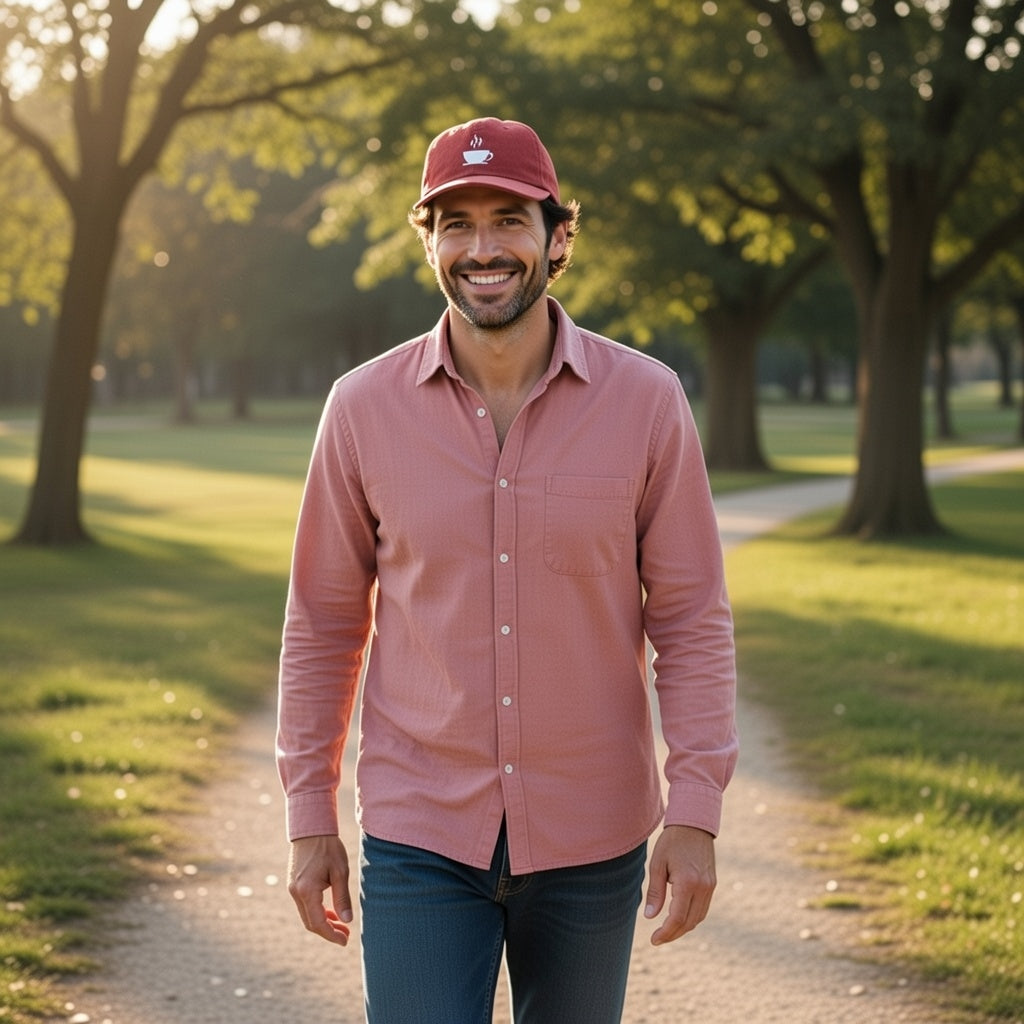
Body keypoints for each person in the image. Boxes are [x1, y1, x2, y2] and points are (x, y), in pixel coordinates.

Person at [277, 116, 738, 1024]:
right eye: (455, 223)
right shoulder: (360, 409)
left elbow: (690, 617)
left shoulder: (647, 401)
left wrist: (695, 806)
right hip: (419, 833)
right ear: (429, 242)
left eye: (508, 220)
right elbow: (324, 623)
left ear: (557, 236)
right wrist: (308, 815)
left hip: (592, 835)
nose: (482, 248)